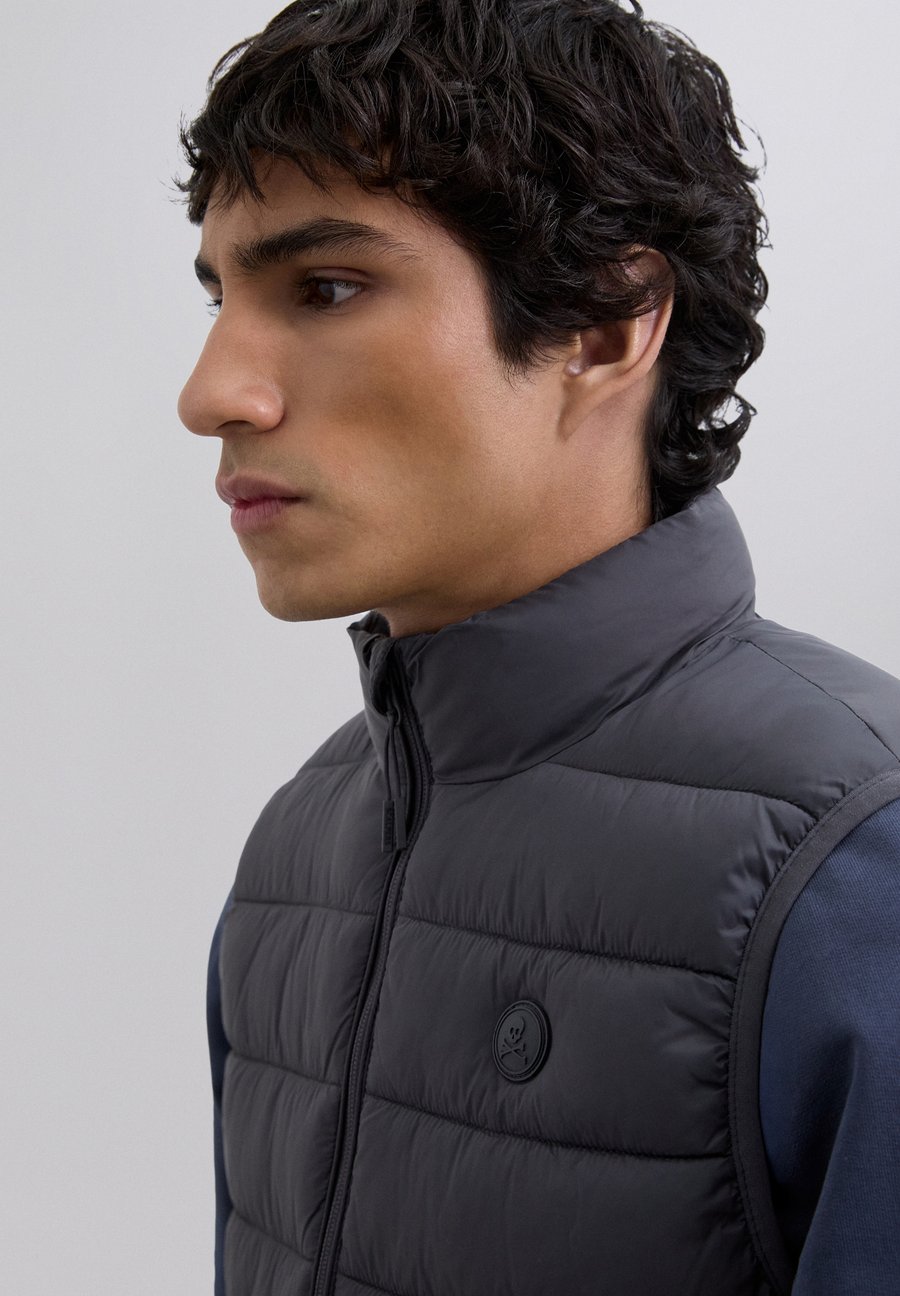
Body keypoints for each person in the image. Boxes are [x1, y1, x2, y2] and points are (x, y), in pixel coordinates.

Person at [174, 2, 900, 1293]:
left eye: (325, 288)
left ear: (609, 322)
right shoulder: (297, 850)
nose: (211, 392)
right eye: (222, 296)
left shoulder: (857, 864)